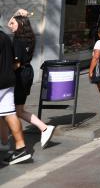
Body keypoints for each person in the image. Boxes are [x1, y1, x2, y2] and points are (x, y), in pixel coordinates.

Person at [6, 15, 56, 147]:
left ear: (20, 25)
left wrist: (5, 72)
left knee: (11, 110)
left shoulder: (18, 40)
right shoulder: (29, 38)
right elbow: (9, 23)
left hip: (20, 75)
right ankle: (43, 128)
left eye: (14, 23)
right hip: (27, 73)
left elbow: (16, 63)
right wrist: (17, 14)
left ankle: (14, 140)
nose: (11, 25)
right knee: (18, 110)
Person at [0, 17, 32, 164]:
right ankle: (21, 148)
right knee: (9, 113)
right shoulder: (5, 37)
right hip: (8, 80)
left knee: (9, 113)